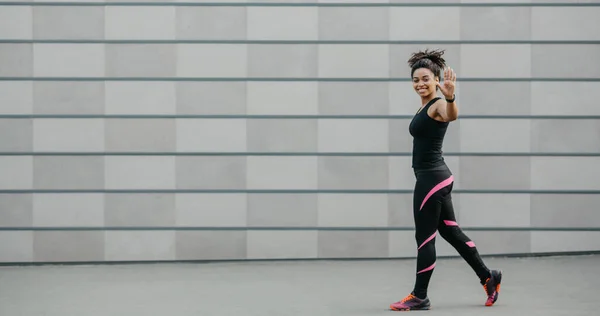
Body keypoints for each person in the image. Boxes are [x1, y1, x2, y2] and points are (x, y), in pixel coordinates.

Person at [389, 49, 502, 311]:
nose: (420, 84)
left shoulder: (439, 103)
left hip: (432, 180)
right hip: (437, 177)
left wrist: (451, 96)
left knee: (425, 238)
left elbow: (451, 114)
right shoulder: (424, 105)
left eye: (425, 79)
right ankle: (489, 277)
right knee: (450, 231)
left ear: (437, 80)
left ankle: (420, 295)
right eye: (415, 79)